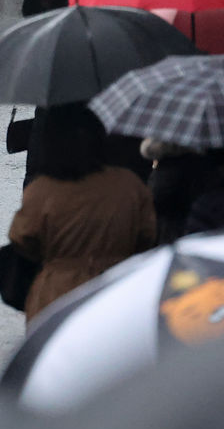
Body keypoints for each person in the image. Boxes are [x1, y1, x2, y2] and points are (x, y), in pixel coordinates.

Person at [8, 105, 157, 322]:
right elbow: (147, 235)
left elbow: (22, 239)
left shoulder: (43, 191)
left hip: (55, 296)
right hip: (118, 291)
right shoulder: (129, 186)